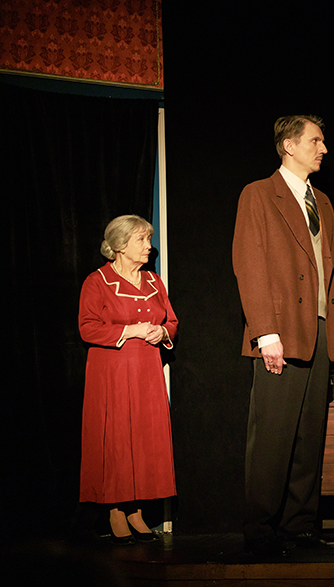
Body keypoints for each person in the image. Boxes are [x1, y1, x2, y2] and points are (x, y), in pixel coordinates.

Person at [233, 115, 334, 558]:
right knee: (272, 436)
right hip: (280, 331)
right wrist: (266, 332)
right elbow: (249, 264)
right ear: (289, 146)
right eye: (315, 141)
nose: (323, 149)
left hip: (319, 328)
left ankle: (299, 525)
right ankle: (260, 531)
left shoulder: (323, 201)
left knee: (308, 434)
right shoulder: (259, 194)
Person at [78, 215, 178, 545]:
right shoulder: (97, 281)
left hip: (147, 370)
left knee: (145, 438)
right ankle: (115, 509)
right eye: (142, 240)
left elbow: (172, 321)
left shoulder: (153, 281)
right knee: (117, 437)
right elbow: (87, 327)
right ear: (120, 246)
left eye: (149, 239)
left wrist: (162, 331)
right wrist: (130, 330)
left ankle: (136, 509)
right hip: (112, 372)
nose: (149, 246)